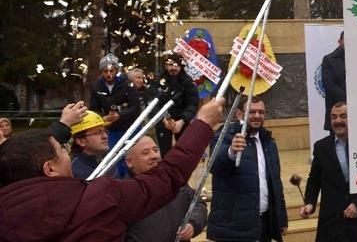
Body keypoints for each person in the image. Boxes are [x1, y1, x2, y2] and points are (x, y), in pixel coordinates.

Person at [0, 97, 224, 241]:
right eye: (61, 149)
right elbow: (166, 178)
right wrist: (202, 124)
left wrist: (60, 128)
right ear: (50, 169)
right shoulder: (97, 198)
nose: (66, 152)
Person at [208, 97, 288, 241]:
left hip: (264, 224)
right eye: (251, 112)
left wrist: (281, 218)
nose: (257, 116)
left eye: (261, 112)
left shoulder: (269, 142)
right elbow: (215, 167)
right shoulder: (225, 135)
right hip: (234, 228)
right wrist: (231, 152)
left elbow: (275, 183)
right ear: (239, 114)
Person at [301, 102, 357, 241]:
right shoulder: (321, 147)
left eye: (343, 116)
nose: (338, 121)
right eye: (334, 117)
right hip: (331, 221)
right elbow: (314, 179)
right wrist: (310, 202)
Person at [124, 136, 207, 242]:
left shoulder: (174, 179)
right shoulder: (123, 194)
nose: (154, 156)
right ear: (129, 162)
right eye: (145, 153)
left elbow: (197, 204)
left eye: (155, 150)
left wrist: (192, 223)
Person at [91, 54, 140, 177]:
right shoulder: (97, 86)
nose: (109, 74)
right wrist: (102, 118)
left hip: (130, 127)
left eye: (111, 70)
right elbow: (94, 108)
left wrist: (120, 115)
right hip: (111, 129)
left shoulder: (128, 83)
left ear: (117, 70)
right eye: (105, 71)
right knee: (114, 157)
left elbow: (135, 107)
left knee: (134, 156)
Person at [150, 53, 199, 156]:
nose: (173, 68)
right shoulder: (158, 81)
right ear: (166, 65)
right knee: (164, 152)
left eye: (176, 65)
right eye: (170, 64)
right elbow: (152, 103)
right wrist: (162, 119)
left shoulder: (187, 82)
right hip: (162, 119)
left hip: (182, 120)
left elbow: (192, 103)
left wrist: (182, 121)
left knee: (184, 152)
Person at [70, 110, 117, 179]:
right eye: (97, 133)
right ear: (81, 141)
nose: (105, 136)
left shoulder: (108, 160)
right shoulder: (74, 171)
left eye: (105, 131)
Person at [321, 32, 346, 133]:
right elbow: (329, 85)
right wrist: (349, 99)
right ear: (340, 42)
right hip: (338, 110)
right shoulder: (329, 59)